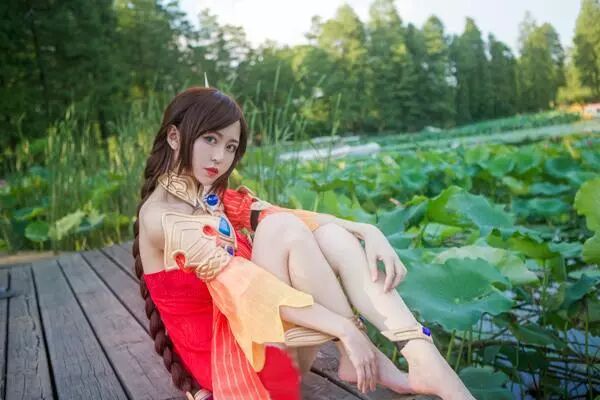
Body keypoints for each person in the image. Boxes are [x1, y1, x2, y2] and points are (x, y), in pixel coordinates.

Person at [134, 86, 475, 400]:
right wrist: (345, 329)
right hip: (238, 371)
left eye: (230, 147)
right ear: (175, 137)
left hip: (274, 350)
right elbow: (249, 289)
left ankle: (419, 352)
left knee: (327, 234)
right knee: (279, 229)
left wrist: (366, 230)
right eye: (210, 139)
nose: (219, 157)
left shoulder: (209, 197)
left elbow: (292, 217)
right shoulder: (161, 219)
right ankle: (373, 354)